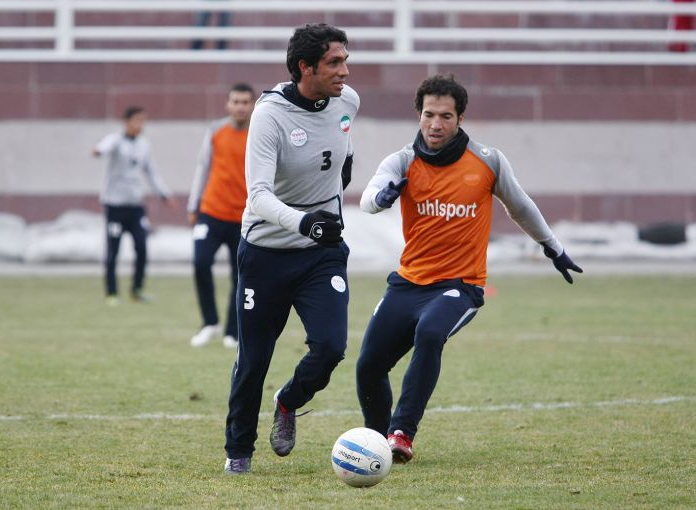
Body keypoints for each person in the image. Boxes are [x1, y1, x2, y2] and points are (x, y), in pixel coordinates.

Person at [356, 74, 582, 464]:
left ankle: (401, 433)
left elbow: (521, 206)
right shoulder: (403, 160)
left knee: (430, 333)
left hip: (460, 285)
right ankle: (378, 443)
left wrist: (552, 246)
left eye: (445, 116)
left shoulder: (487, 161)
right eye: (429, 115)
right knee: (368, 367)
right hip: (408, 283)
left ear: (460, 118)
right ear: (418, 114)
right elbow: (368, 197)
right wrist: (382, 197)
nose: (435, 124)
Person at [223, 23, 359, 475]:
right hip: (265, 253)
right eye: (334, 62)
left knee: (331, 347)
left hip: (322, 253)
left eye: (345, 60)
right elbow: (258, 196)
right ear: (305, 67)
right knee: (254, 360)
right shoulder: (270, 115)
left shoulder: (348, 101)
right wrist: (305, 221)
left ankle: (288, 400)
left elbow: (341, 150)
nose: (345, 70)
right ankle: (238, 451)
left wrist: (338, 181)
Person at [187, 83, 255, 349]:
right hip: (211, 212)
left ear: (253, 105)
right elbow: (202, 168)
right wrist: (193, 205)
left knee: (240, 275)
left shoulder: (259, 133)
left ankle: (232, 332)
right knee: (200, 261)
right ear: (228, 104)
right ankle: (210, 322)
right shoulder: (215, 131)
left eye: (245, 102)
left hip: (243, 218)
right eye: (236, 101)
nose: (240, 107)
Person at [92, 105, 175, 306]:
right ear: (127, 122)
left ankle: (137, 290)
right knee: (113, 250)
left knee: (142, 247)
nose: (140, 125)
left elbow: (151, 172)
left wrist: (164, 193)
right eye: (137, 120)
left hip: (136, 207)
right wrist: (99, 150)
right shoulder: (116, 140)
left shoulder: (144, 145)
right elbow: (104, 146)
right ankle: (112, 293)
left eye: (143, 121)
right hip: (115, 206)